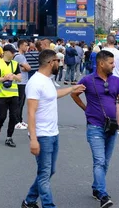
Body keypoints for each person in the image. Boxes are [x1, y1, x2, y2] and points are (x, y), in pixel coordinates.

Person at [21, 49, 85, 208]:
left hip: (52, 133)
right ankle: (48, 205)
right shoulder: (35, 83)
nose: (60, 63)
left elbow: (53, 95)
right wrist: (34, 140)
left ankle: (29, 201)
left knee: (49, 171)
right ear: (51, 63)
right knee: (44, 174)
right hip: (42, 136)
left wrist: (72, 89)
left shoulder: (47, 80)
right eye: (58, 60)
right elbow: (31, 112)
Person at [72, 50, 119, 208]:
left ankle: (96, 188)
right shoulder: (88, 80)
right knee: (99, 161)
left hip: (111, 126)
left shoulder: (116, 81)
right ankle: (103, 196)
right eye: (111, 63)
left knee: (105, 162)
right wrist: (85, 109)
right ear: (101, 63)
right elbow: (74, 94)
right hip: (95, 126)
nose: (114, 66)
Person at [0, 44, 22, 148]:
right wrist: (4, 78)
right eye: (12, 52)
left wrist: (13, 76)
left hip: (14, 94)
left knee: (13, 116)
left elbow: (20, 78)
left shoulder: (15, 64)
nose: (13, 54)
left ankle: (9, 138)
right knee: (2, 116)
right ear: (5, 52)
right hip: (2, 94)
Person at [14, 39, 32, 130]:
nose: (27, 47)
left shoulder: (22, 56)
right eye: (25, 45)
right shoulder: (19, 56)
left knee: (21, 103)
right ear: (20, 46)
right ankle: (16, 121)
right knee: (19, 103)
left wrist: (26, 68)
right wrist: (26, 68)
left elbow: (27, 67)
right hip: (20, 82)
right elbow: (28, 68)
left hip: (23, 81)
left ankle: (20, 120)